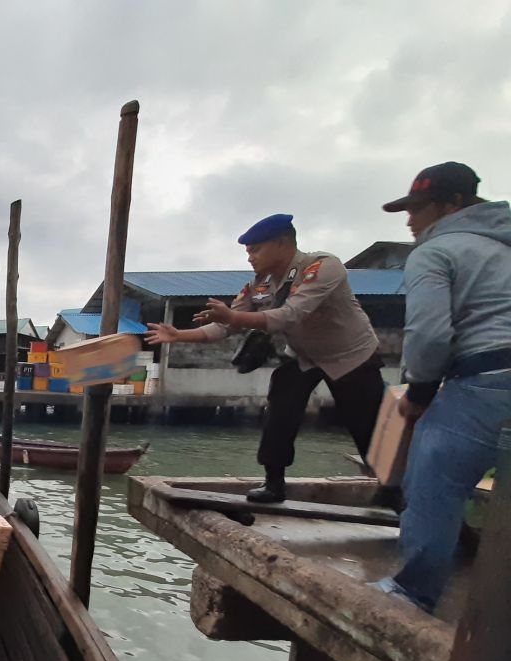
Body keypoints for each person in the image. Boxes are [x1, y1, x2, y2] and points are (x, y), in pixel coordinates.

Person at [146, 214, 386, 503]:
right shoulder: (259, 285)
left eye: (256, 250)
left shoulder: (322, 267)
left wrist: (234, 315)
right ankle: (274, 482)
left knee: (368, 425)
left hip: (351, 355)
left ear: (283, 244)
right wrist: (178, 335)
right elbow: (225, 326)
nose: (250, 257)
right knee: (281, 405)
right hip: (304, 356)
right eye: (248, 251)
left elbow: (291, 314)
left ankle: (393, 489)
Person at [373, 162, 511, 611]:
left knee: (434, 481)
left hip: (486, 379)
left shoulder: (437, 251)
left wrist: (419, 394)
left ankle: (414, 591)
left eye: (418, 209)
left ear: (454, 204)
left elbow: (430, 335)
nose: (410, 221)